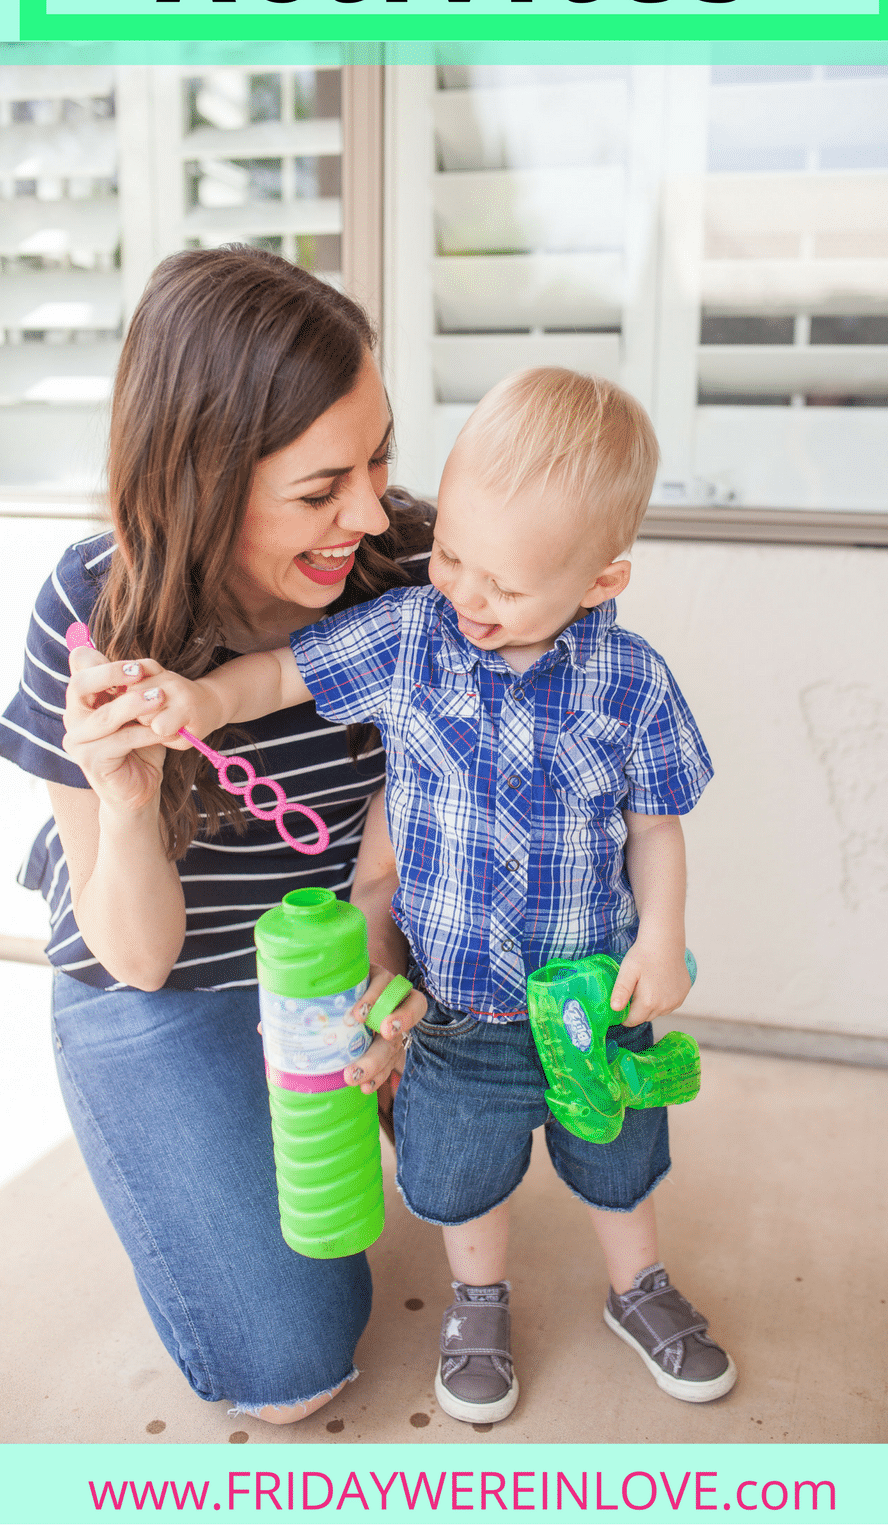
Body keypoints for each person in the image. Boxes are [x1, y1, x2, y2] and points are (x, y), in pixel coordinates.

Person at [114, 366, 738, 1425]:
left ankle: (639, 1284)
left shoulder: (632, 680)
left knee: (622, 1158)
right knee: (464, 1176)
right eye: (451, 553)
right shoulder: (412, 633)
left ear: (600, 578)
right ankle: (478, 1301)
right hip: (452, 1006)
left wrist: (665, 936)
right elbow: (281, 674)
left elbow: (656, 823)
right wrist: (201, 697)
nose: (466, 594)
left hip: (593, 999)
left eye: (504, 582)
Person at [0, 246, 431, 1424]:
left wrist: (389, 979)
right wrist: (130, 804)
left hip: (345, 946)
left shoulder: (407, 563)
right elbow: (131, 952)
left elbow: (422, 827)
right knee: (290, 1369)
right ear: (201, 479)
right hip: (166, 975)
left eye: (381, 455)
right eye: (318, 486)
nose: (367, 507)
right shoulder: (87, 612)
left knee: (480, 1140)